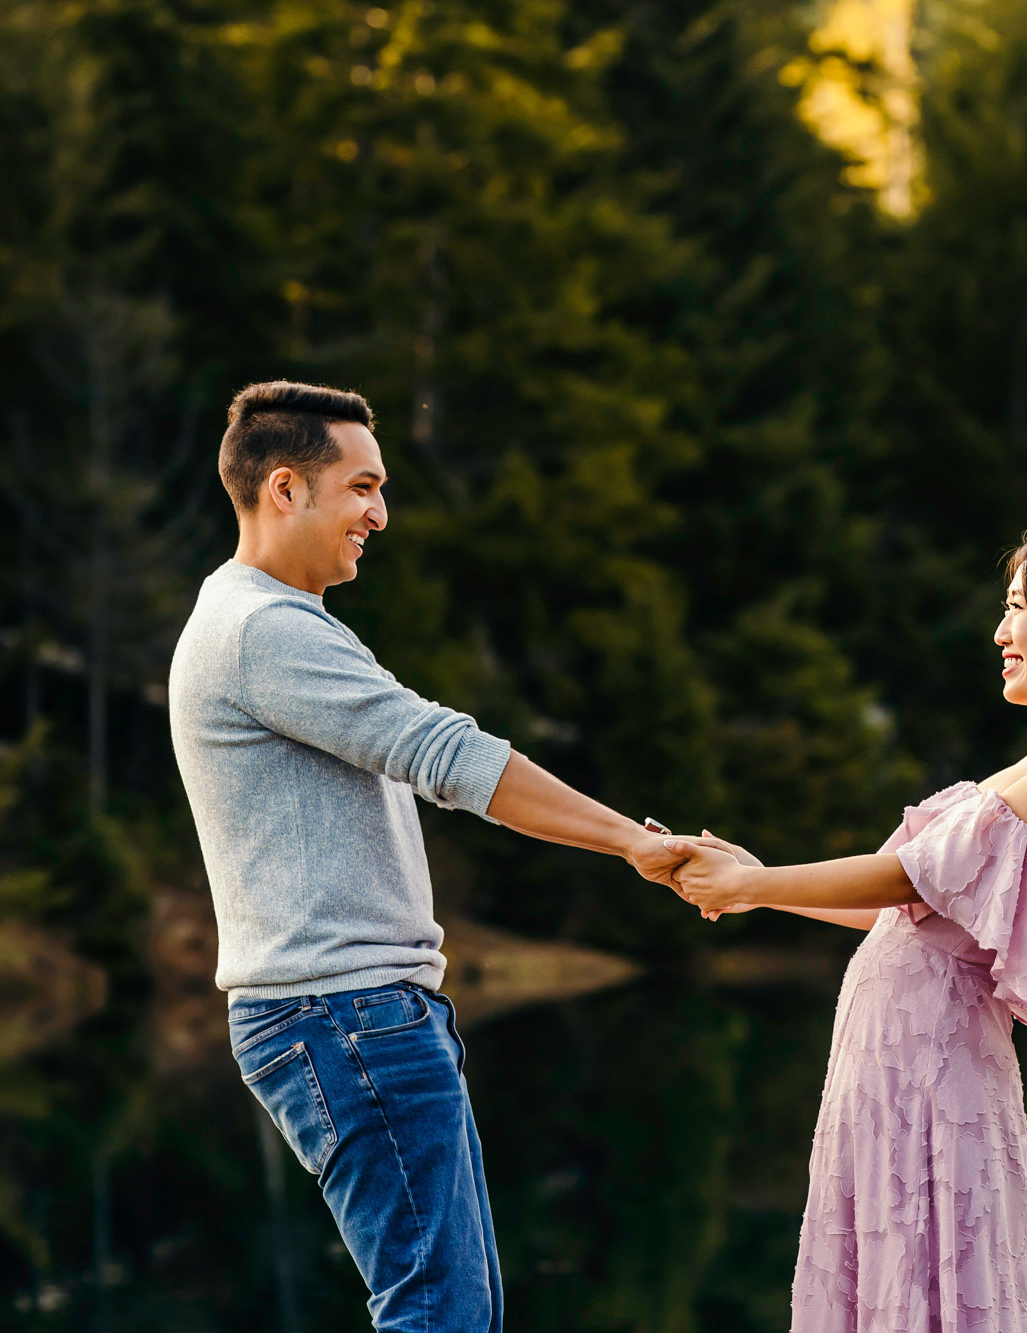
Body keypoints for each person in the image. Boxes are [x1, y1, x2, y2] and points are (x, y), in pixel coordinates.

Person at [168, 380, 684, 1332]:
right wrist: (630, 839)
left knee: (458, 1307)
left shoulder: (268, 621)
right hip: (345, 1013)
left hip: (353, 1013)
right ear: (285, 489)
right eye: (362, 486)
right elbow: (443, 751)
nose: (380, 513)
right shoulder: (263, 631)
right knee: (441, 1311)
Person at [667, 513, 1027, 1333]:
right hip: (888, 1068)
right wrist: (757, 883)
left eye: (1019, 607)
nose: (1000, 631)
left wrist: (753, 881)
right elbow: (904, 909)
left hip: (933, 1076)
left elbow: (904, 874)